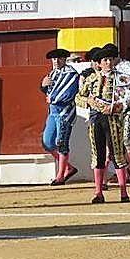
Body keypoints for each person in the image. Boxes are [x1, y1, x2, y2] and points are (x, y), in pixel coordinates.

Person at [77, 44, 130, 203]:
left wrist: (117, 106)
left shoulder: (121, 78)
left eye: (111, 59)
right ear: (99, 63)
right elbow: (79, 97)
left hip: (113, 119)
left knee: (117, 154)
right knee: (98, 154)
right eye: (106, 60)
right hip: (96, 119)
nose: (109, 63)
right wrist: (89, 101)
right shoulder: (91, 79)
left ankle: (124, 192)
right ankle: (98, 192)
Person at [40, 48, 80, 186]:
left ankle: (60, 176)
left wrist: (53, 99)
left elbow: (69, 93)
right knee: (47, 142)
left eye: (58, 59)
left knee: (61, 143)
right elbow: (48, 90)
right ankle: (68, 168)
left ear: (64, 59)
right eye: (54, 59)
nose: (56, 61)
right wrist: (43, 85)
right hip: (53, 112)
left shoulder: (72, 74)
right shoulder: (52, 73)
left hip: (65, 112)